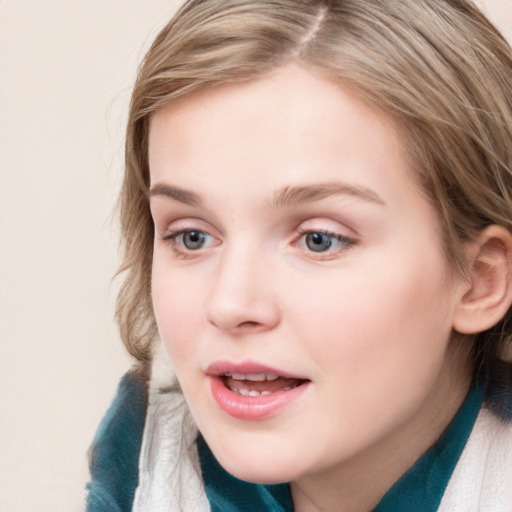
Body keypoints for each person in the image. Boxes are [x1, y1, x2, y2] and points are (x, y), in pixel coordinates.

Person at [85, 0, 512, 510]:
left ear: (480, 279)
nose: (230, 303)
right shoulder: (142, 461)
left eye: (319, 239)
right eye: (192, 236)